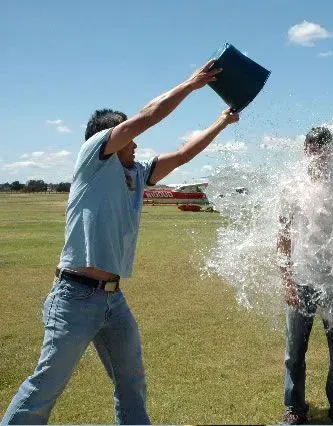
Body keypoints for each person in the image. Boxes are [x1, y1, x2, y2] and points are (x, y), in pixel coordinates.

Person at [1, 59, 239, 425]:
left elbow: (183, 155)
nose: (136, 142)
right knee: (45, 386)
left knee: (131, 382)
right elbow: (145, 117)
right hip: (75, 297)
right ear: (109, 138)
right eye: (127, 136)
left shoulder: (136, 174)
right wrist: (192, 85)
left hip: (113, 299)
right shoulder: (94, 160)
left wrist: (221, 122)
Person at [277, 127, 333, 425]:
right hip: (301, 278)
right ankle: (294, 409)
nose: (317, 156)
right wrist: (287, 279)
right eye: (312, 149)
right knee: (294, 352)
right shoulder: (292, 187)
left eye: (322, 150)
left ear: (332, 152)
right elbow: (284, 235)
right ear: (305, 152)